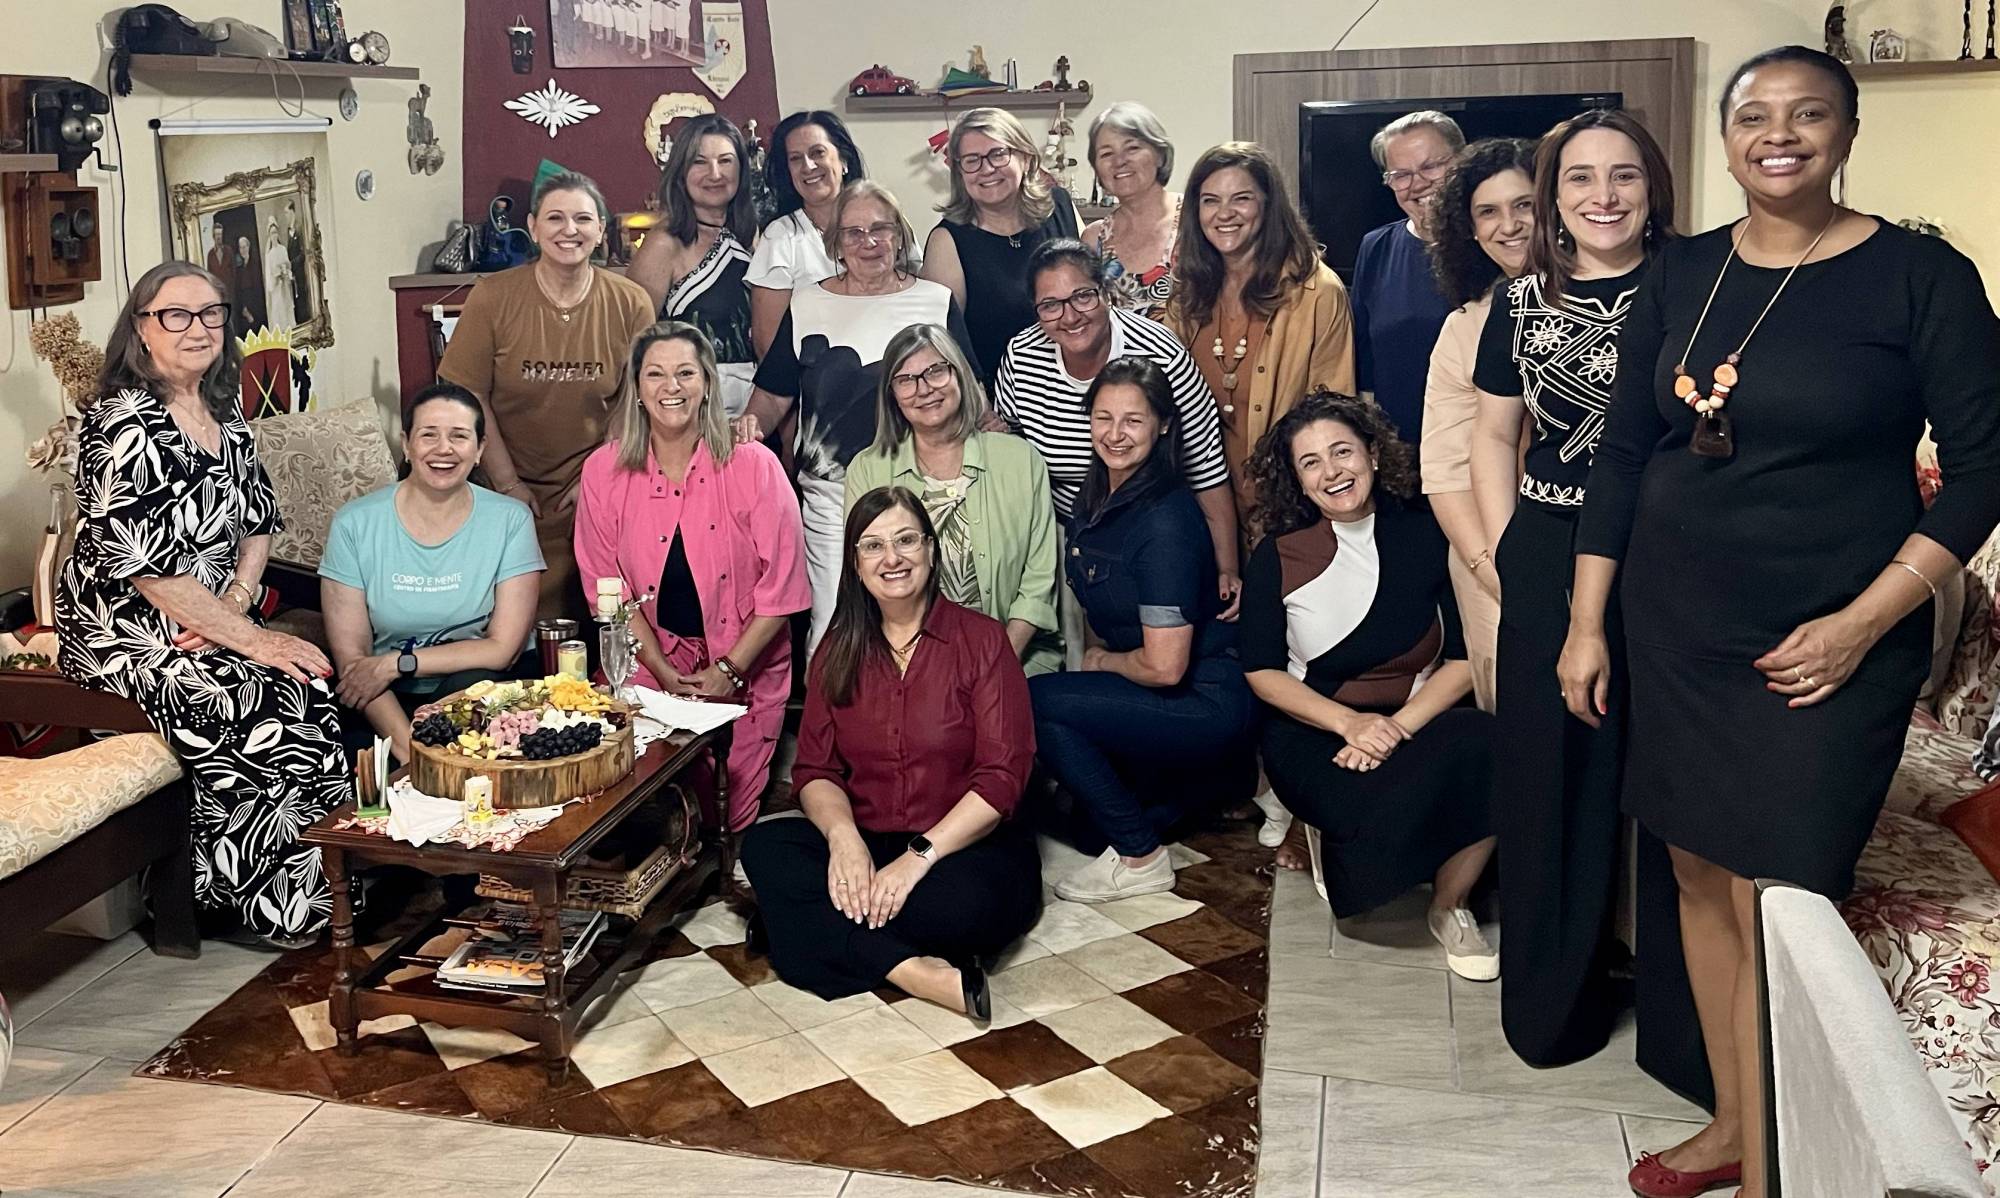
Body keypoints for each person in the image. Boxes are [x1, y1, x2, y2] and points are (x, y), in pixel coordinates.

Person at [1565, 48, 2000, 1198]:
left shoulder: (1919, 277)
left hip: (1828, 645)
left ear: (1846, 132)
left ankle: (1780, 1170)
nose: (1778, 133)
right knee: (1694, 871)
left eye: (1807, 113)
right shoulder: (1681, 270)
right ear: (1723, 140)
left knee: (1779, 897)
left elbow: (1979, 471)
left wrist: (1862, 621)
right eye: (1752, 115)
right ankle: (1732, 1126)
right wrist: (1585, 622)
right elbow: (1623, 454)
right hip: (1675, 627)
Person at [53, 262, 347, 949]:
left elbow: (259, 522)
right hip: (125, 625)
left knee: (308, 682)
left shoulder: (224, 409)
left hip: (212, 614)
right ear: (141, 329)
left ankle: (324, 884)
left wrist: (237, 606)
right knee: (252, 695)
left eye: (211, 313)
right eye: (175, 315)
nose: (197, 328)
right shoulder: (121, 424)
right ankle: (246, 901)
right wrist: (251, 639)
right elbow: (147, 573)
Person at [1469, 109, 1676, 1069]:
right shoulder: (1518, 303)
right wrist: (1510, 550)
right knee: (1549, 775)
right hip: (1550, 548)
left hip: (1669, 552)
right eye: (1580, 178)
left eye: (1623, 174)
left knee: (1667, 779)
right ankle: (1554, 1008)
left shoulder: (1695, 283)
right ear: (1552, 198)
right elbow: (1493, 434)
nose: (1603, 196)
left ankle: (1678, 1019)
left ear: (1653, 185)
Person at [740, 487, 1039, 1014]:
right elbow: (815, 769)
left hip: (961, 849)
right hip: (870, 839)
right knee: (766, 850)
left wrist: (917, 859)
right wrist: (844, 840)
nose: (892, 558)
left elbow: (1001, 779)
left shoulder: (983, 641)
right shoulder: (837, 650)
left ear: (930, 550)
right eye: (873, 546)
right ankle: (915, 972)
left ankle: (801, 926)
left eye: (906, 541)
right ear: (855, 565)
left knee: (964, 907)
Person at [1239, 392, 1497, 979]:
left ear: (1373, 454)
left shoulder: (1428, 535)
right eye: (1311, 462)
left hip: (1413, 722)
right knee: (1370, 807)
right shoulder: (1278, 555)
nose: (1332, 472)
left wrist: (1391, 730)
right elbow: (1261, 671)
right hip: (1313, 733)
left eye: (1342, 452)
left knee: (1495, 746)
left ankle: (1450, 906)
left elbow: (1462, 660)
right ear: (1297, 480)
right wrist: (1349, 724)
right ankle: (1325, 836)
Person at [1031, 358, 1256, 903]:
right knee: (1085, 829)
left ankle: (1141, 857)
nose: (1115, 434)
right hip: (1148, 690)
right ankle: (1202, 789)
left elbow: (1165, 666)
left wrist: (1100, 663)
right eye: (1103, 417)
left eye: (1133, 420)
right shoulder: (1095, 498)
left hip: (1203, 697)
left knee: (1031, 700)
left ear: (1163, 426)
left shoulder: (1165, 520)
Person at [574, 322, 811, 831]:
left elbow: (785, 590)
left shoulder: (755, 465)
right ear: (637, 389)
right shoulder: (603, 470)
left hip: (744, 661)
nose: (671, 387)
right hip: (648, 658)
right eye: (655, 374)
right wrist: (660, 668)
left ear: (707, 384)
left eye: (685, 373)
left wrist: (729, 669)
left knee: (720, 818)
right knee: (625, 800)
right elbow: (606, 589)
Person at [742, 181, 968, 649]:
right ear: (836, 243)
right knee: (833, 626)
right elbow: (774, 394)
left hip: (921, 492)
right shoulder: (808, 302)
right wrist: (746, 425)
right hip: (831, 496)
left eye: (881, 229)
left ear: (900, 235)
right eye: (854, 232)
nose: (869, 242)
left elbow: (968, 391)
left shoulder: (935, 301)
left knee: (920, 626)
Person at [438, 170, 654, 622]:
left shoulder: (631, 303)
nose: (569, 229)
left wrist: (596, 478)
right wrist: (507, 484)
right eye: (555, 218)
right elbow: (468, 392)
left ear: (601, 230)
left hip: (593, 488)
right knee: (509, 623)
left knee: (597, 618)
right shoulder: (492, 297)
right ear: (533, 228)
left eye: (583, 219)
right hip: (502, 488)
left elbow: (633, 398)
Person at [995, 240, 1239, 609]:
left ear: (1106, 293)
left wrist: (1228, 568)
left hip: (1154, 531)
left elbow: (1206, 468)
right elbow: (1011, 450)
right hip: (1065, 532)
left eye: (1082, 296)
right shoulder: (1022, 357)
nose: (1070, 316)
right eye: (1050, 305)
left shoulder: (1161, 353)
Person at [319, 383, 544, 765]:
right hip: (385, 696)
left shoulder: (510, 520)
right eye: (429, 435)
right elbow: (354, 664)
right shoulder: (354, 524)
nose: (444, 449)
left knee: (473, 698)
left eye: (459, 436)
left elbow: (501, 649)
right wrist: (412, 752)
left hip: (480, 688)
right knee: (347, 754)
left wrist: (396, 662)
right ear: (406, 445)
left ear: (480, 450)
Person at [845, 323, 1061, 674]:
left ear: (959, 373)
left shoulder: (1020, 459)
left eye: (935, 371)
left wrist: (993, 665)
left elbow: (1038, 583)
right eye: (906, 380)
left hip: (1015, 658)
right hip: (905, 665)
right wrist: (923, 675)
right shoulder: (868, 470)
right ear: (892, 395)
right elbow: (868, 578)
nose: (924, 389)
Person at [1166, 140, 1355, 533]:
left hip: (1287, 508)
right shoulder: (1187, 293)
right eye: (1210, 201)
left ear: (1269, 205)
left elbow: (1334, 411)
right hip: (1201, 508)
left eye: (1242, 198)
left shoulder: (1316, 292)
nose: (1225, 214)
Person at [1419, 138, 1539, 712]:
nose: (1508, 226)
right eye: (1488, 212)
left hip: (1606, 560)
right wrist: (1498, 575)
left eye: (1524, 205)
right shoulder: (1465, 328)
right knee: (1521, 727)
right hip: (1491, 563)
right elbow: (1445, 471)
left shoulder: (1625, 303)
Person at [920, 107, 1082, 383]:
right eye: (972, 160)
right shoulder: (947, 241)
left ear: (1025, 158)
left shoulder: (1060, 206)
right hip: (998, 396)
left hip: (1081, 382)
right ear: (959, 172)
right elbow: (943, 344)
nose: (986, 169)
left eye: (998, 154)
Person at [626, 114, 759, 417]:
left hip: (754, 411)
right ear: (681, 171)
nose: (715, 173)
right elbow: (632, 341)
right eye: (700, 162)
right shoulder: (664, 243)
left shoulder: (752, 234)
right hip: (687, 410)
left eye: (725, 161)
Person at [1352, 111, 1465, 450]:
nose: (1418, 184)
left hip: (1482, 450)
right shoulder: (1375, 248)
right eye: (1400, 175)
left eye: (1431, 166)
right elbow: (1365, 367)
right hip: (1400, 454)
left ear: (1462, 162)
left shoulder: (1497, 244)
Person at [747, 111, 865, 358]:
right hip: (814, 379)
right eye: (795, 159)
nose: (808, 166)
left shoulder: (884, 223)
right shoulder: (779, 238)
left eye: (818, 153)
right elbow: (767, 345)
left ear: (844, 160)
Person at [1079, 102, 1179, 318]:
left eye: (1132, 148)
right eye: (1106, 154)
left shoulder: (1197, 218)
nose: (1119, 161)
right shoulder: (1094, 240)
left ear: (1160, 154)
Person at [262, 217, 294, 336]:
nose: (274, 235)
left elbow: (288, 265)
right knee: (279, 309)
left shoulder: (283, 249)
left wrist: (286, 272)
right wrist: (276, 277)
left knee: (287, 307)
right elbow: (269, 273)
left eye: (275, 232)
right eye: (272, 233)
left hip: (284, 284)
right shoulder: (269, 255)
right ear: (269, 236)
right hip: (276, 286)